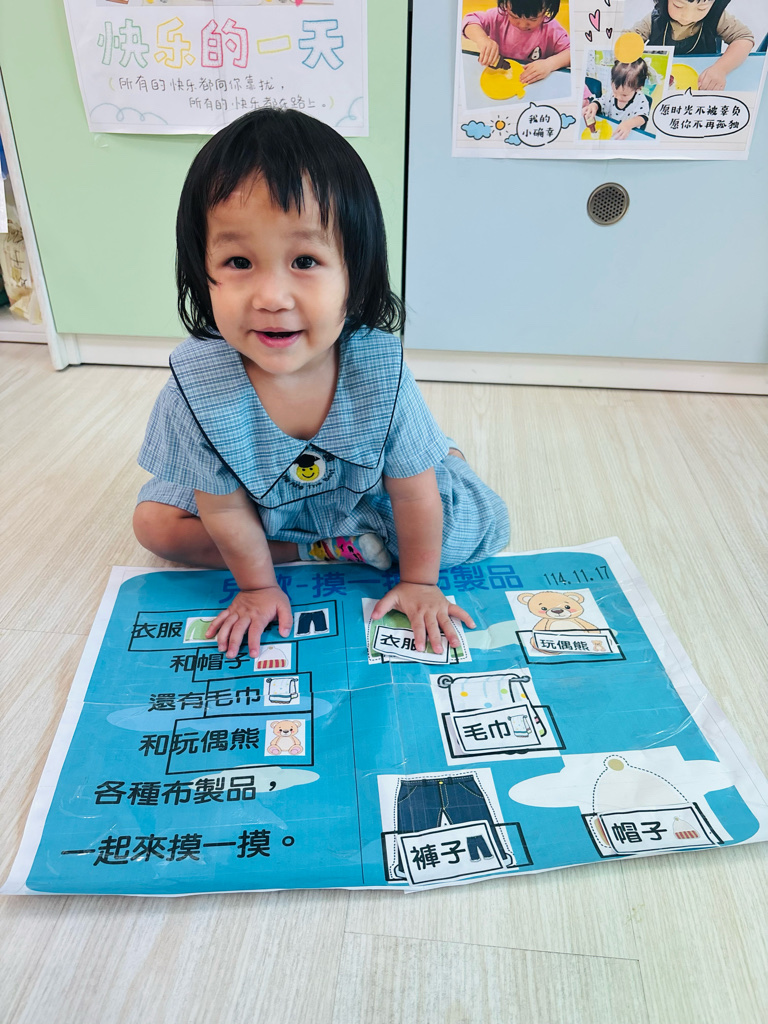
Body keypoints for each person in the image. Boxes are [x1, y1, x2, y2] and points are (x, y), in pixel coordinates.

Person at [134, 109, 509, 661]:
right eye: (238, 261)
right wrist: (258, 587)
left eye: (305, 260)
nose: (271, 297)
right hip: (261, 504)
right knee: (155, 526)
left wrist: (420, 582)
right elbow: (225, 512)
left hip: (367, 496)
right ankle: (322, 549)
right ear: (201, 270)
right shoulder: (195, 389)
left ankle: (437, 452)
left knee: (461, 529)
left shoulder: (379, 373)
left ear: (355, 274)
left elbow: (411, 495)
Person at [631, 1, 754, 90]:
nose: (687, 16)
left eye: (701, 8)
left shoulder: (717, 17)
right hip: (658, 84)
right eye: (678, 5)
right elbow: (630, 38)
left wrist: (721, 69)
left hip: (701, 84)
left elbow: (744, 38)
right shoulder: (655, 19)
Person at [462, 0, 571, 84]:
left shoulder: (552, 29)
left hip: (534, 82)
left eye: (533, 19)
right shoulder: (499, 16)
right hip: (501, 78)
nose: (522, 25)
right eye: (514, 16)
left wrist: (550, 64)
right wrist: (482, 39)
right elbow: (469, 21)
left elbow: (572, 53)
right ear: (505, 5)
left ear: (547, 9)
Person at [583, 59, 651, 139]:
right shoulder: (611, 94)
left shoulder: (640, 100)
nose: (617, 97)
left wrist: (629, 124)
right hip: (608, 130)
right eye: (615, 92)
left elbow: (642, 118)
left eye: (624, 95)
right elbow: (601, 101)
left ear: (638, 88)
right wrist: (594, 105)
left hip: (625, 135)